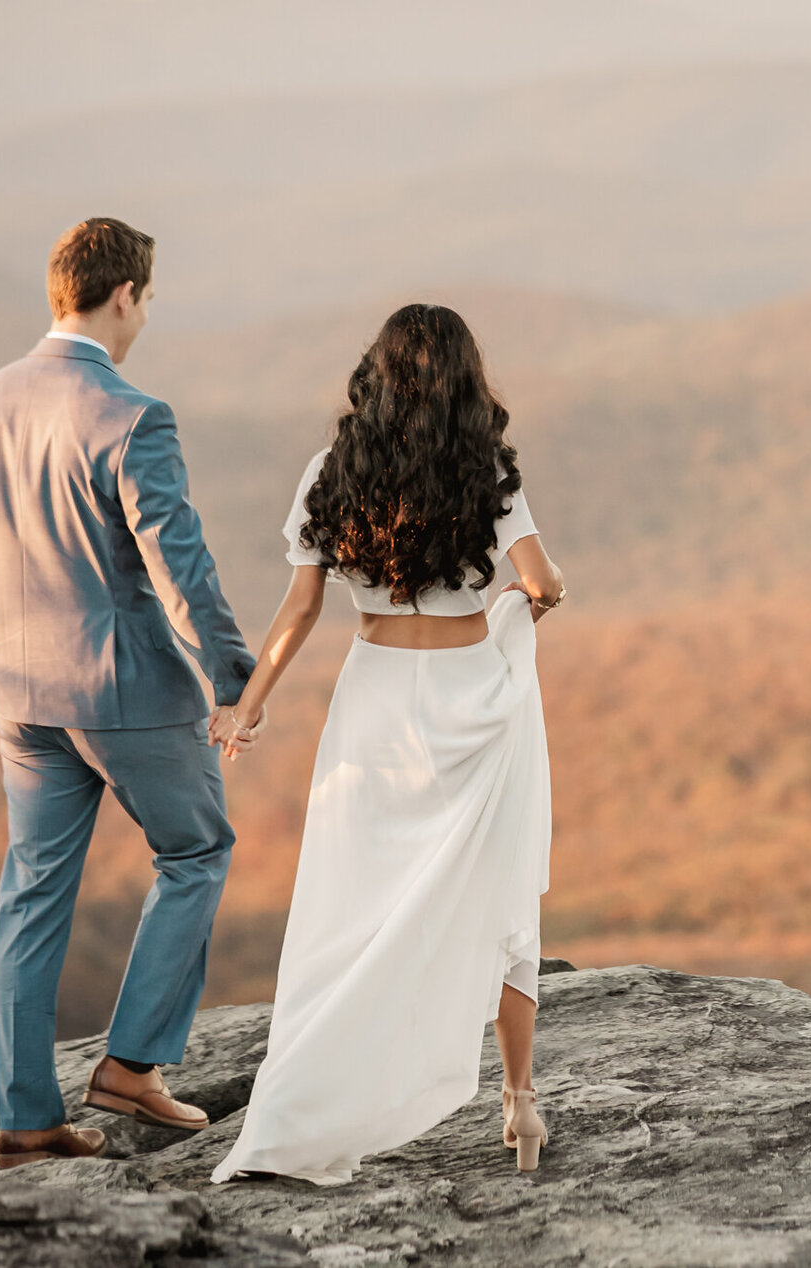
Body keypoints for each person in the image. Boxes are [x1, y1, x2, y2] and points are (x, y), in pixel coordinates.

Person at [0, 217, 259, 1169]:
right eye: (148, 298)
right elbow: (179, 567)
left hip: (20, 698)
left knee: (31, 895)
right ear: (128, 297)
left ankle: (27, 1122)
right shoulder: (133, 415)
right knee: (197, 850)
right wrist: (235, 683)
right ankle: (132, 1067)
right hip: (129, 693)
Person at [210, 303, 566, 1186]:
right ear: (463, 381)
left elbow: (300, 609)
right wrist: (535, 602)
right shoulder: (487, 470)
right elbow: (540, 581)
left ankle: (301, 1103)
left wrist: (247, 706)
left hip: (373, 704)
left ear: (376, 375)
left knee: (347, 903)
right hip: (473, 703)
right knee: (503, 892)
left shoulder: (331, 473)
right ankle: (521, 1107)